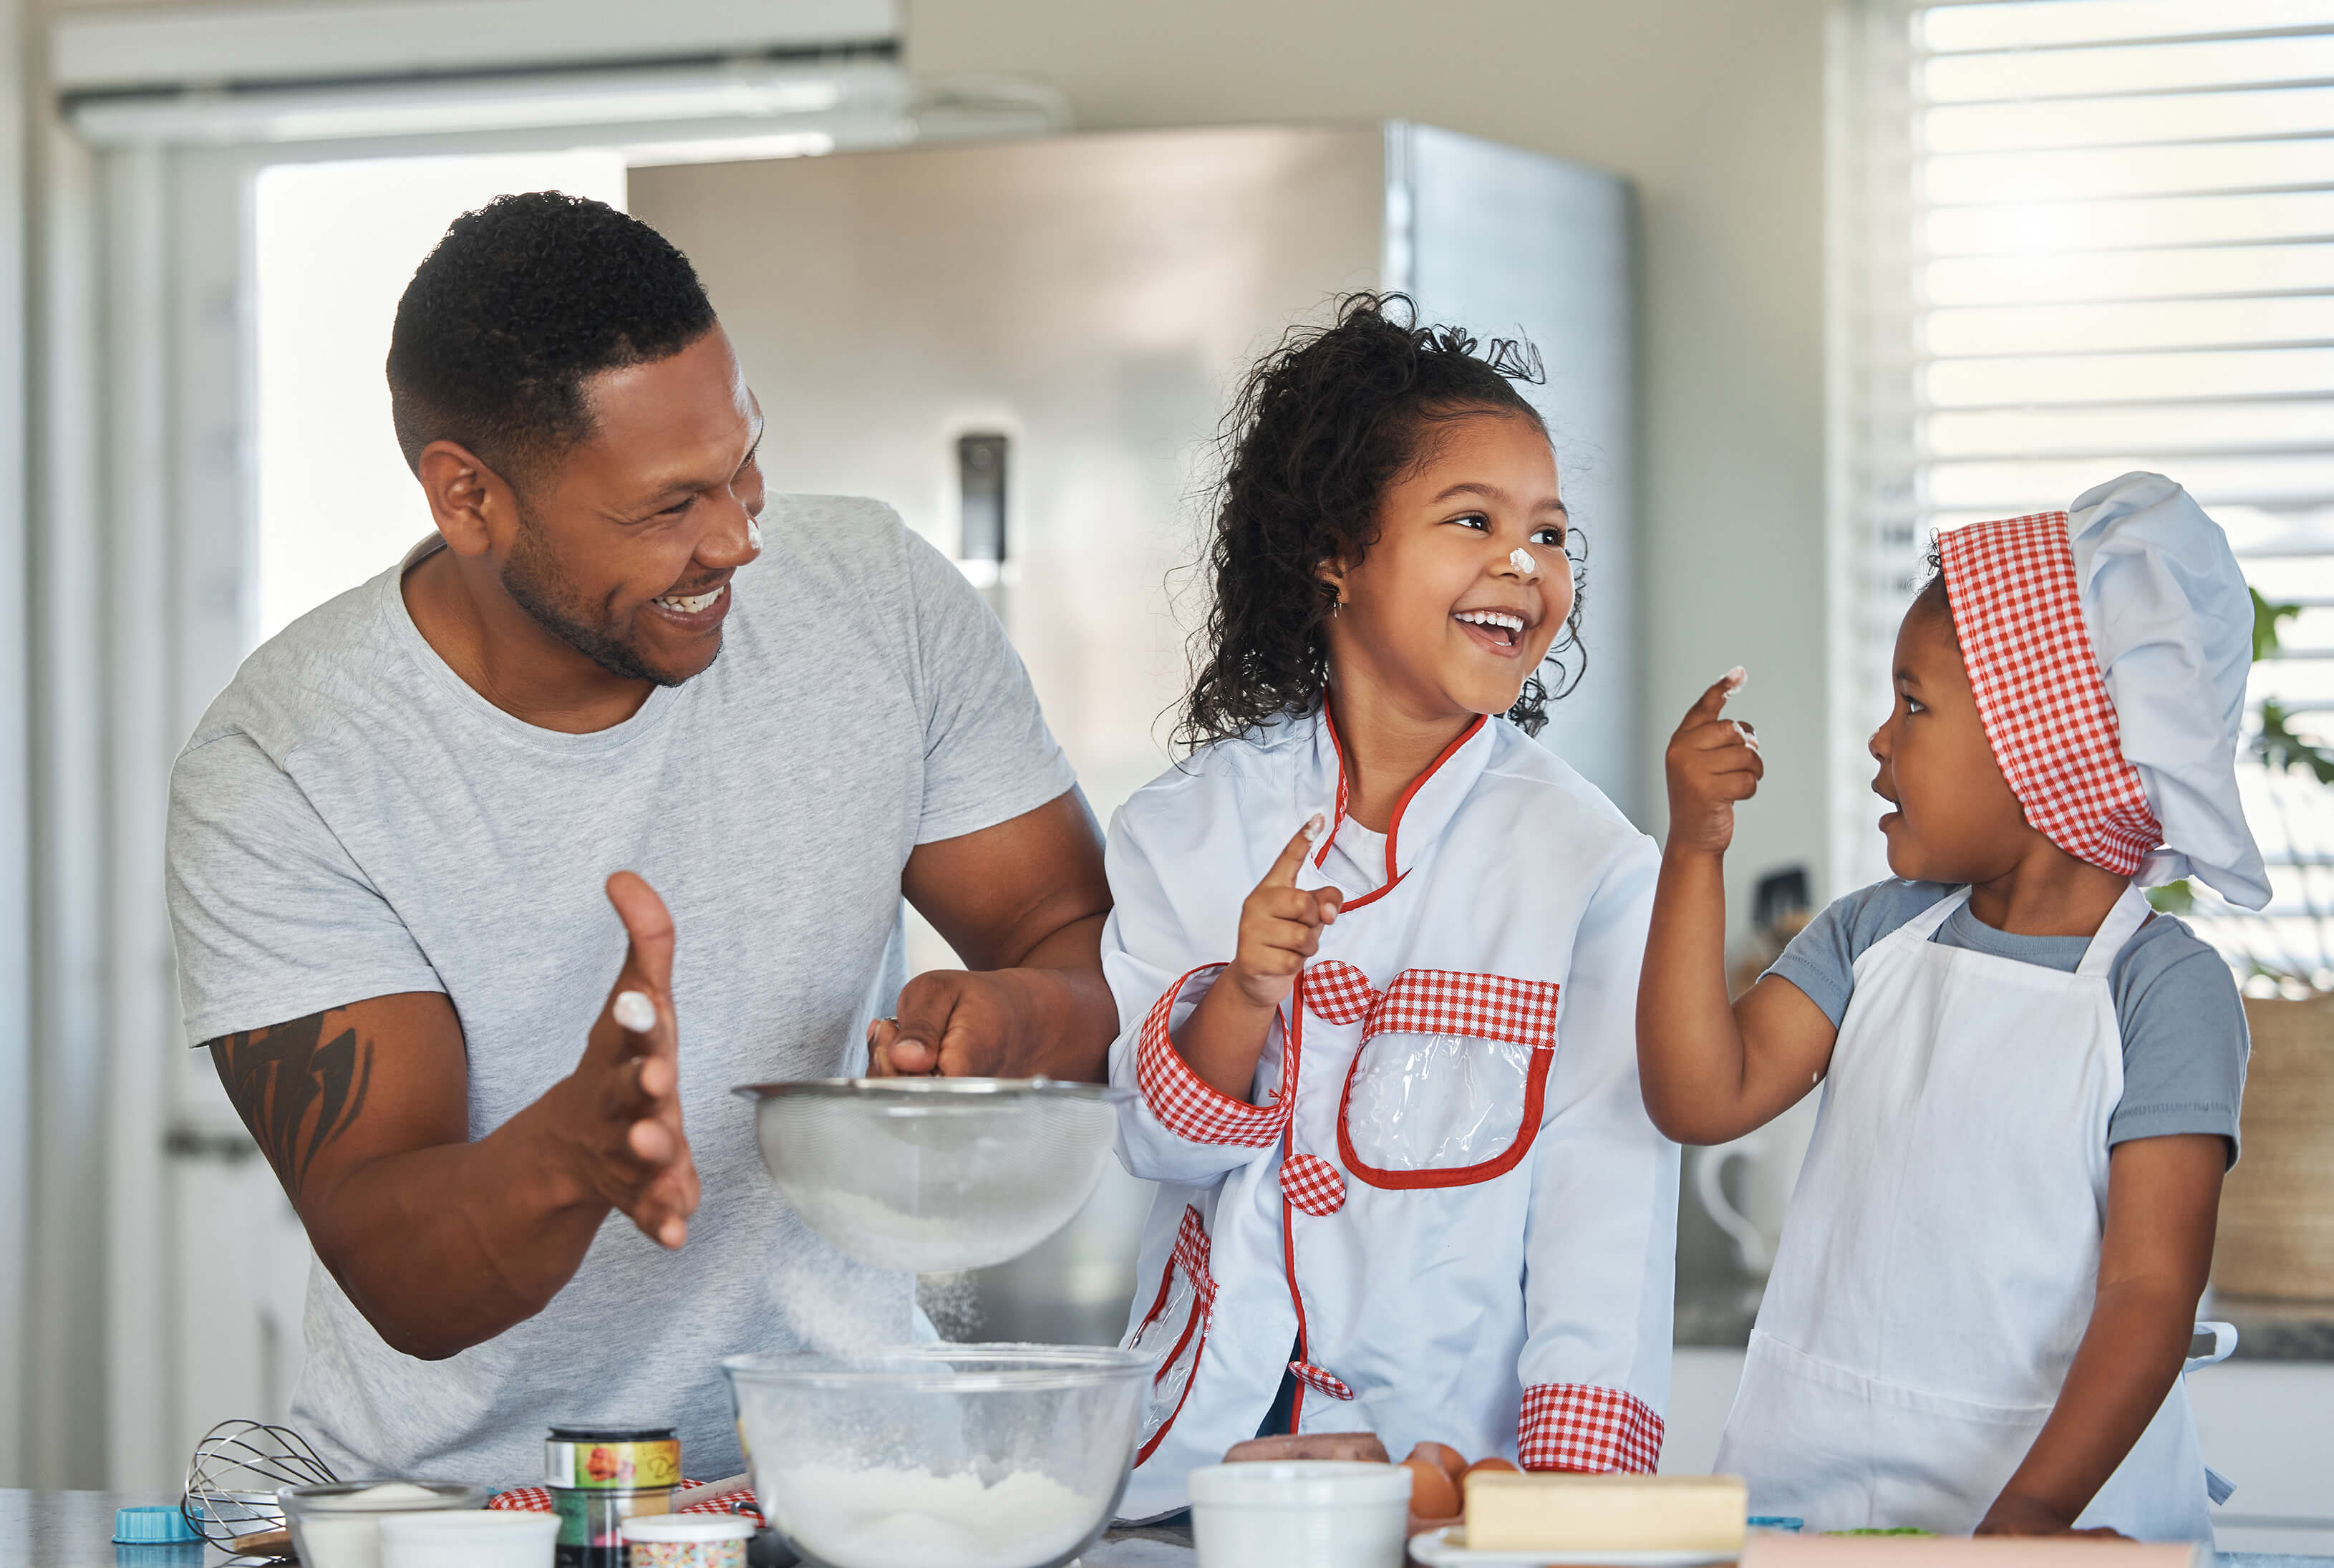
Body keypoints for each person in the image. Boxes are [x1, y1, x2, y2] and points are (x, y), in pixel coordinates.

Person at [165, 193, 1118, 1486]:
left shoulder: (876, 601)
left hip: (857, 1484)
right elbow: (400, 1267)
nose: (737, 536)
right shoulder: (287, 765)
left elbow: (1087, 944)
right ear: (468, 497)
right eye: (669, 506)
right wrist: (574, 1148)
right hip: (467, 1516)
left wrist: (1016, 1023)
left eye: (745, 462)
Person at [1099, 295, 1677, 1521]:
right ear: (1334, 550)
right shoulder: (1183, 831)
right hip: (1199, 1461)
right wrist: (1246, 993)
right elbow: (1157, 1145)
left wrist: (1565, 1510)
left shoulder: (1597, 867)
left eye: (1552, 534)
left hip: (1452, 1483)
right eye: (1473, 520)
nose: (1524, 565)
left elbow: (1605, 1212)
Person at [1640, 473, 2258, 1538]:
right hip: (1820, 1507)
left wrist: (2027, 1519)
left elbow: (2150, 1292)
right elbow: (1700, 1094)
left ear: (2048, 747)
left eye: (1914, 704)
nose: (1882, 739)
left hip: (2059, 1520)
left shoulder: (2163, 992)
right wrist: (1694, 849)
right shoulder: (1872, 934)